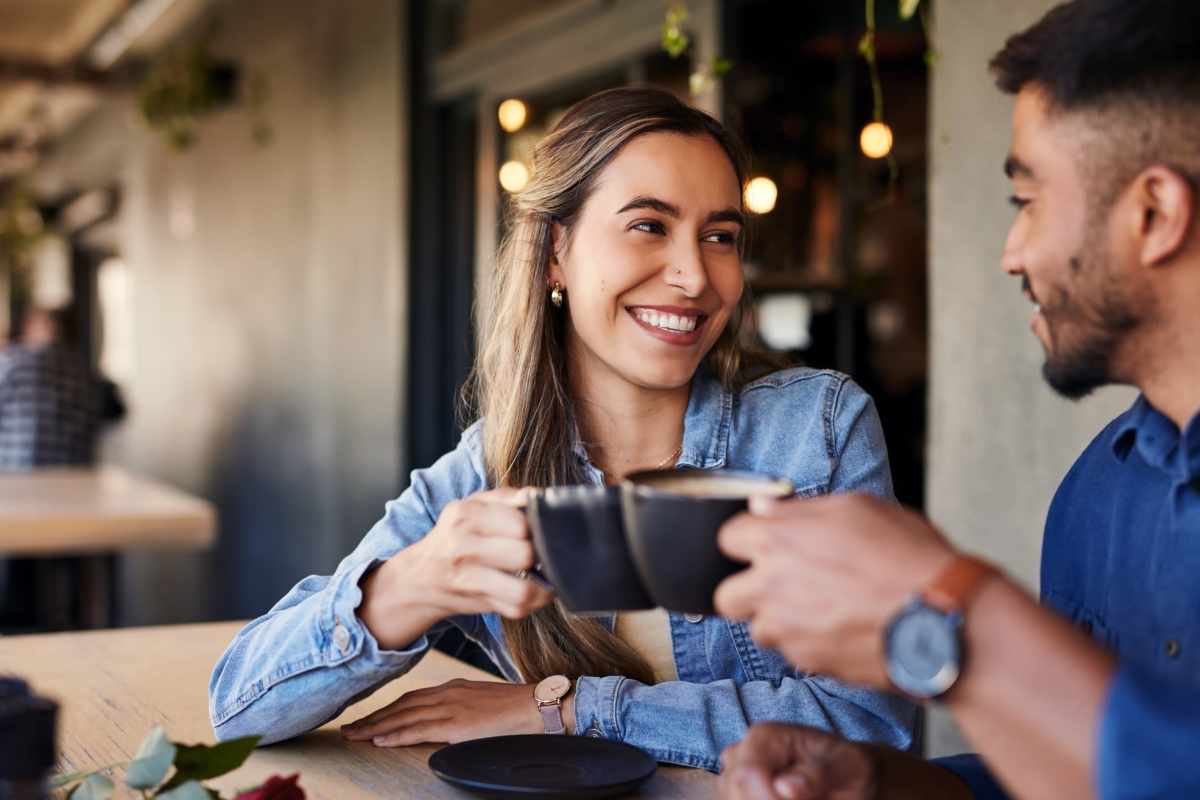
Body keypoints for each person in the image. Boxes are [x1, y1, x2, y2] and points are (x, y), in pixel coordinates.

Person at [208, 87, 917, 768]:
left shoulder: (815, 428)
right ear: (555, 252)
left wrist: (571, 710)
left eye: (720, 236)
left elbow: (870, 723)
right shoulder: (488, 468)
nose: (695, 276)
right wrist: (413, 583)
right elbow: (239, 706)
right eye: (649, 226)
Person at [712, 1, 1200, 798]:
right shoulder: (1095, 496)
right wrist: (882, 783)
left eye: (1027, 200)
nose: (1012, 253)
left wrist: (951, 613)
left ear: (1153, 214)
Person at [0, 306, 105, 469]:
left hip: (16, 474)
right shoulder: (85, 372)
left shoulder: (12, 362)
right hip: (75, 476)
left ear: (47, 327)